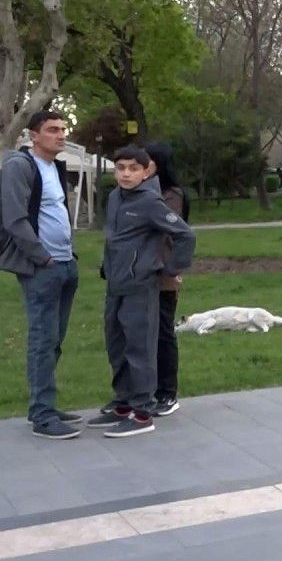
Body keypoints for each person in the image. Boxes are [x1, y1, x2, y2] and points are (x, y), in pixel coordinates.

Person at [86, 146, 196, 438]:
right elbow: (113, 240)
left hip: (140, 285)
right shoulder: (115, 197)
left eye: (133, 168)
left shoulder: (151, 202)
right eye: (120, 167)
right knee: (117, 345)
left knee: (140, 348)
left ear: (146, 171)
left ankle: (143, 412)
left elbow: (185, 235)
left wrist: (171, 268)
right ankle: (123, 403)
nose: (126, 174)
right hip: (116, 284)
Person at [0, 111, 82, 439]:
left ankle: (45, 405)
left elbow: (55, 212)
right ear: (33, 135)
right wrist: (42, 257)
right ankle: (42, 414)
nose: (61, 135)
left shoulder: (54, 167)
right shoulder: (19, 166)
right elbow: (14, 219)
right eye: (52, 130)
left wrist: (68, 254)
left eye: (63, 129)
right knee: (42, 340)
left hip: (66, 263)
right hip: (42, 268)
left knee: (54, 340)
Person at [143, 142, 189, 416]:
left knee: (163, 333)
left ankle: (167, 392)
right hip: (140, 275)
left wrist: (171, 269)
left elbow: (169, 231)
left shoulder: (171, 195)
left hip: (162, 275)